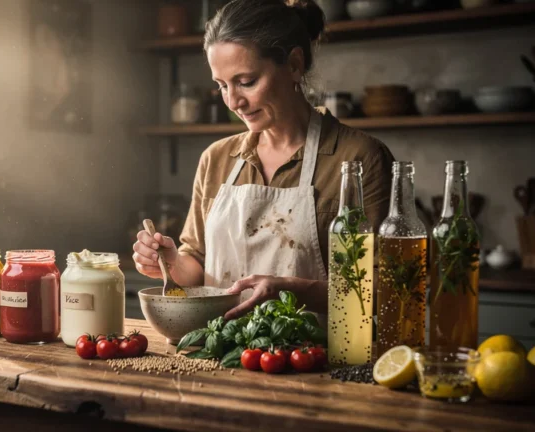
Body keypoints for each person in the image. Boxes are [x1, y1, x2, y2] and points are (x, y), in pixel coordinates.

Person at [133, 0, 394, 320]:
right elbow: (198, 267)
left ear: (294, 64)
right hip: (223, 356)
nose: (233, 102)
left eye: (246, 82)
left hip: (316, 359)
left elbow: (386, 288)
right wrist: (172, 263)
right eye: (222, 86)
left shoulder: (358, 159)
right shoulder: (216, 159)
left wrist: (292, 290)